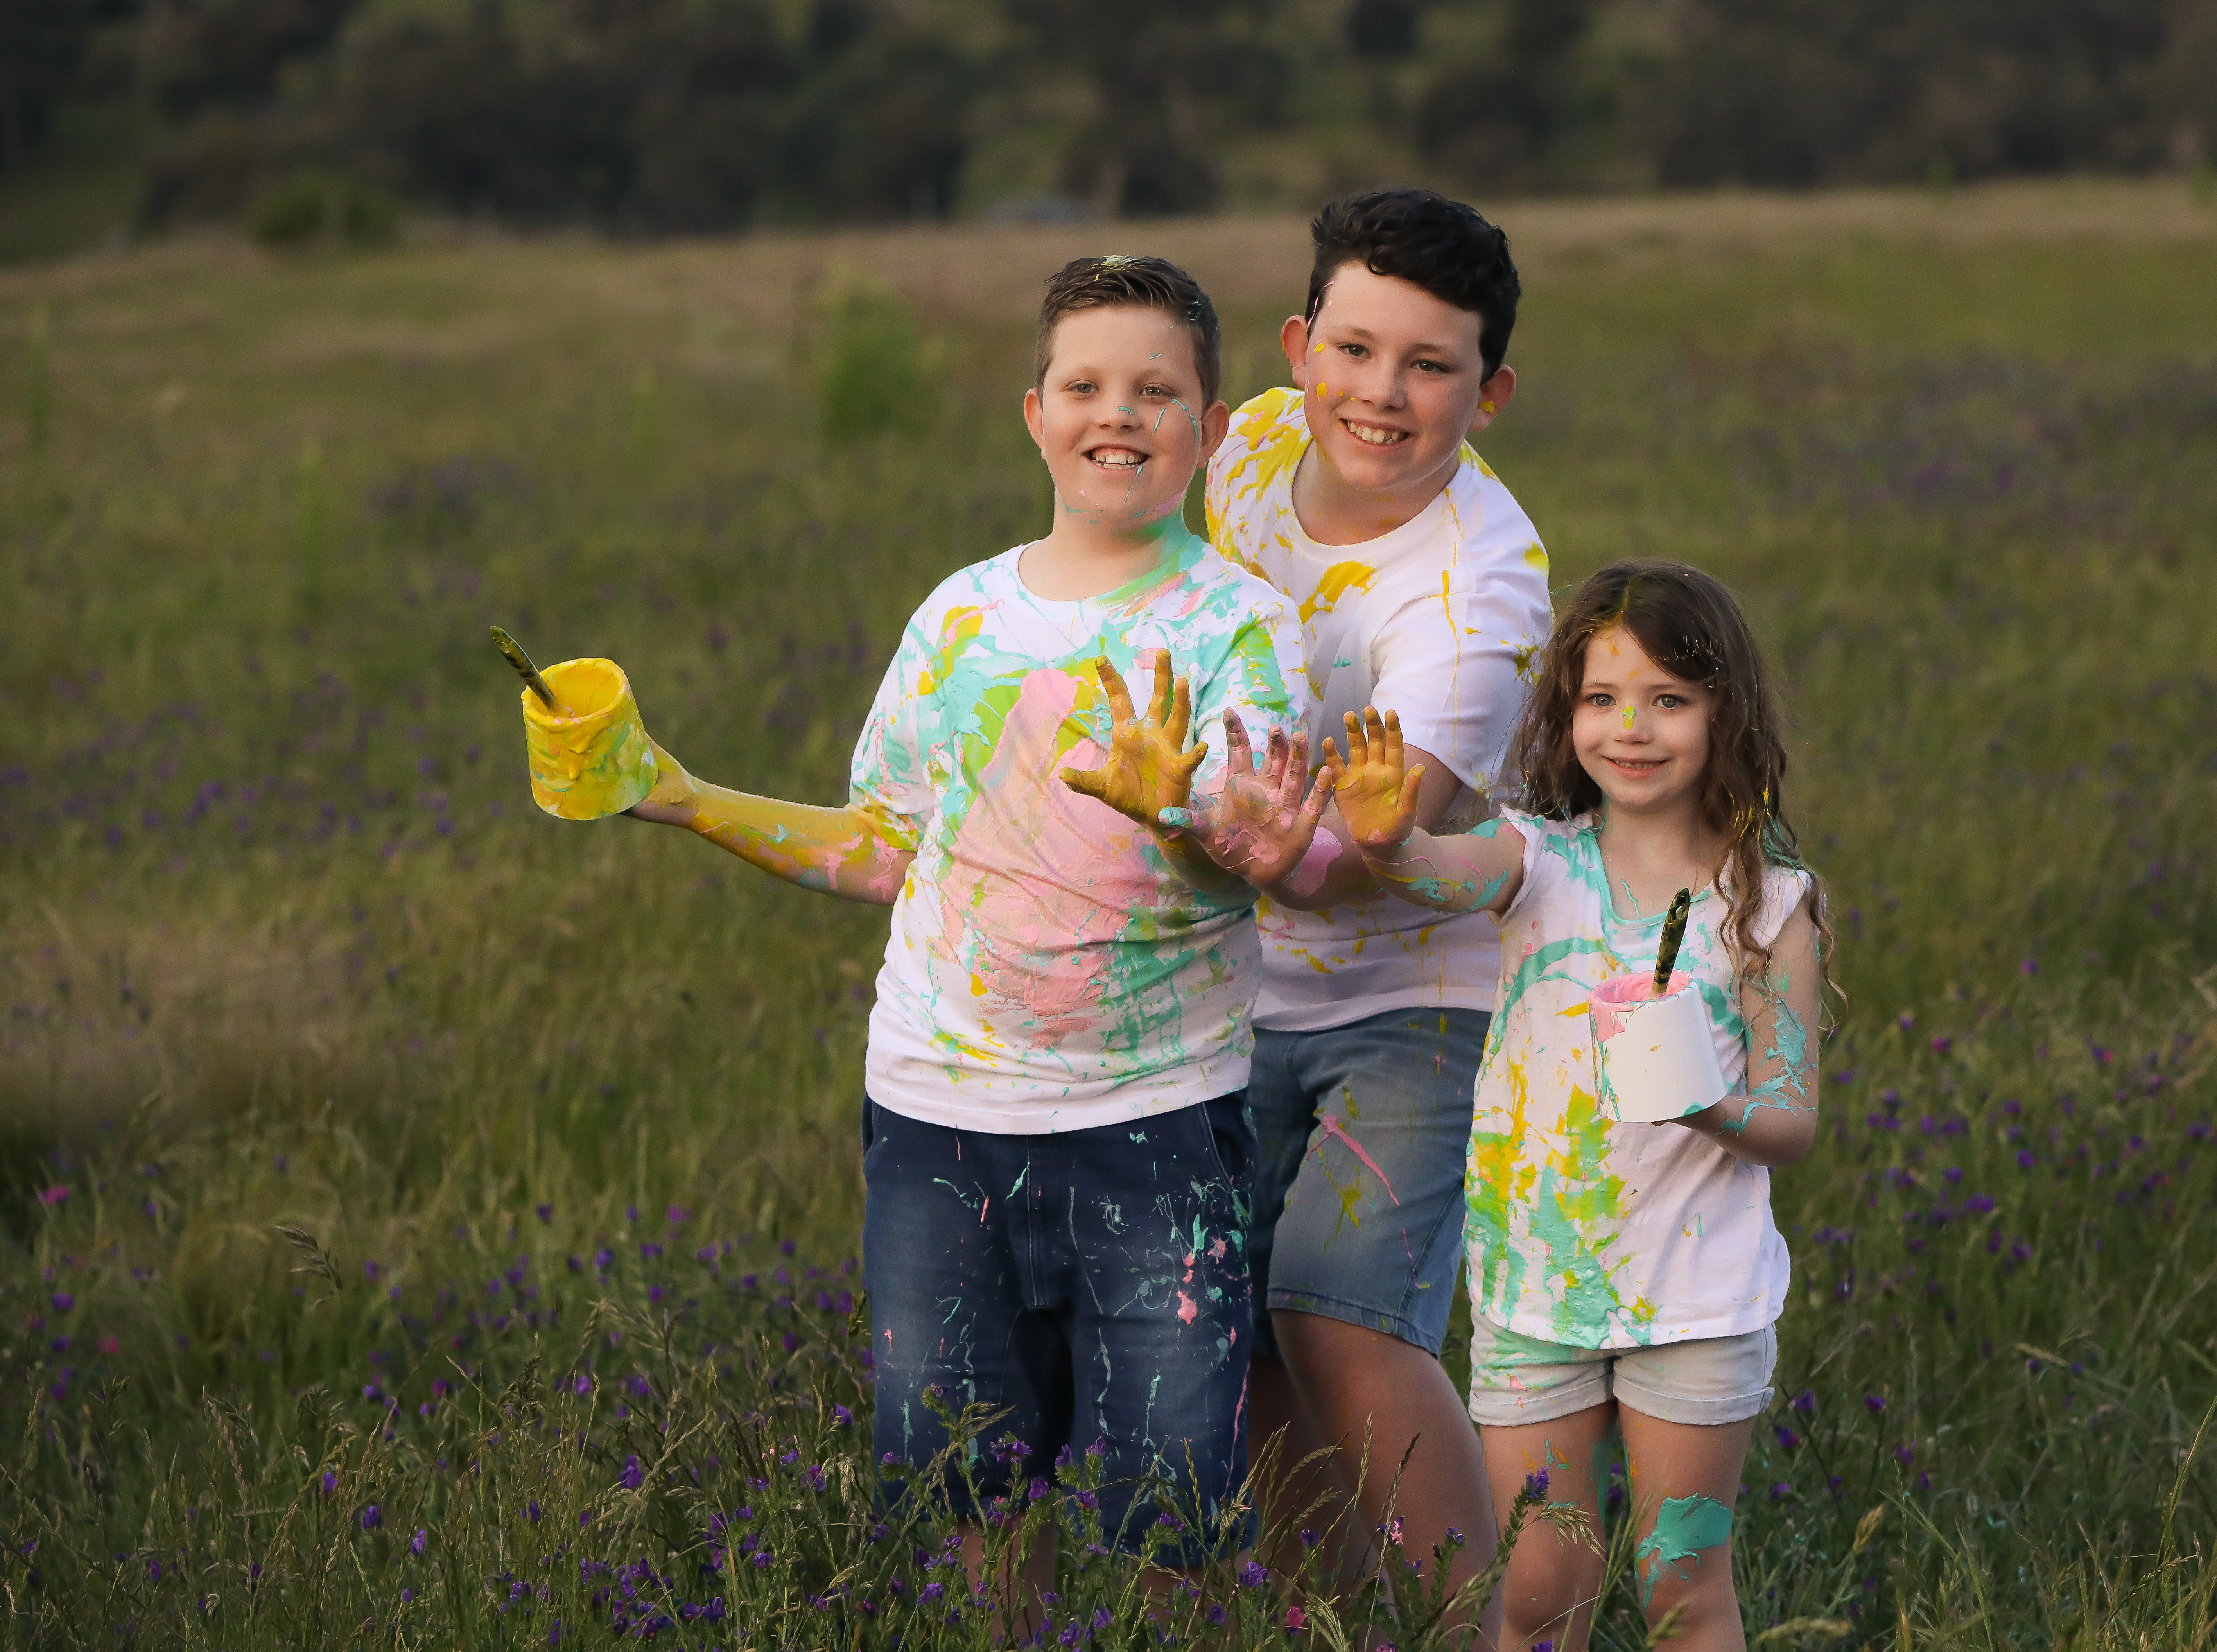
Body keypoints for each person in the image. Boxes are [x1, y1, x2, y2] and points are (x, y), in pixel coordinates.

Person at [592, 255, 1312, 1601]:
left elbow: (1263, 850)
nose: (1121, 413)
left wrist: (1194, 812)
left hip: (1157, 1121)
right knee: (964, 1483)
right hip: (937, 1112)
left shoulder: (1242, 628)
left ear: (1211, 431)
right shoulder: (960, 614)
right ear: (1032, 412)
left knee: (1176, 1511)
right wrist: (681, 797)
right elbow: (884, 845)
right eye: (1087, 385)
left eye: (1160, 390)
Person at [1319, 560, 1833, 1652]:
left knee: (1682, 1589)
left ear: (1723, 712)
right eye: (1601, 699)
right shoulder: (1535, 861)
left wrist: (1706, 1104)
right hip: (1535, 1294)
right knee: (1545, 1587)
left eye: (1668, 700)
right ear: (1566, 715)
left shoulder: (1767, 903)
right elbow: (1430, 873)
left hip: (1698, 1306)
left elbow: (1789, 1123)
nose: (1631, 729)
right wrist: (1384, 837)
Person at [1204, 187, 1552, 1595]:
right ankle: (1332, 1618)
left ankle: (1498, 1629)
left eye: (1430, 366)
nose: (1382, 396)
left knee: (1339, 1311)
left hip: (1419, 989)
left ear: (1492, 390)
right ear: (1297, 346)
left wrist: (1168, 828)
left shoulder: (1480, 597)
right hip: (1227, 981)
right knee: (1240, 1328)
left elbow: (1364, 861)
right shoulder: (1253, 445)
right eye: (1355, 350)